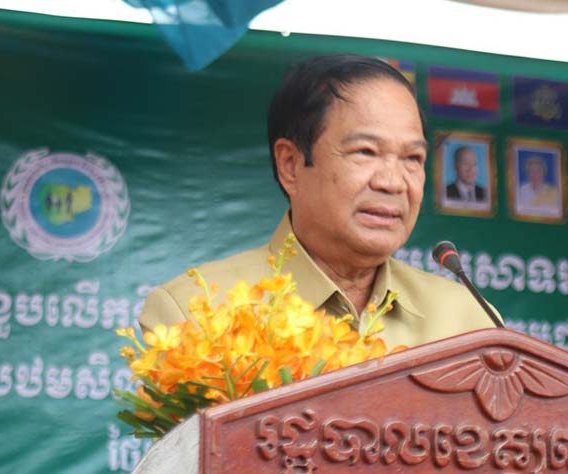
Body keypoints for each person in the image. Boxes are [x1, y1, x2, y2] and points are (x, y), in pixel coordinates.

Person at [139, 54, 500, 349]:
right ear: (291, 165)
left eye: (412, 158)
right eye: (365, 151)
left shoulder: (471, 322)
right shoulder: (195, 313)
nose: (392, 182)